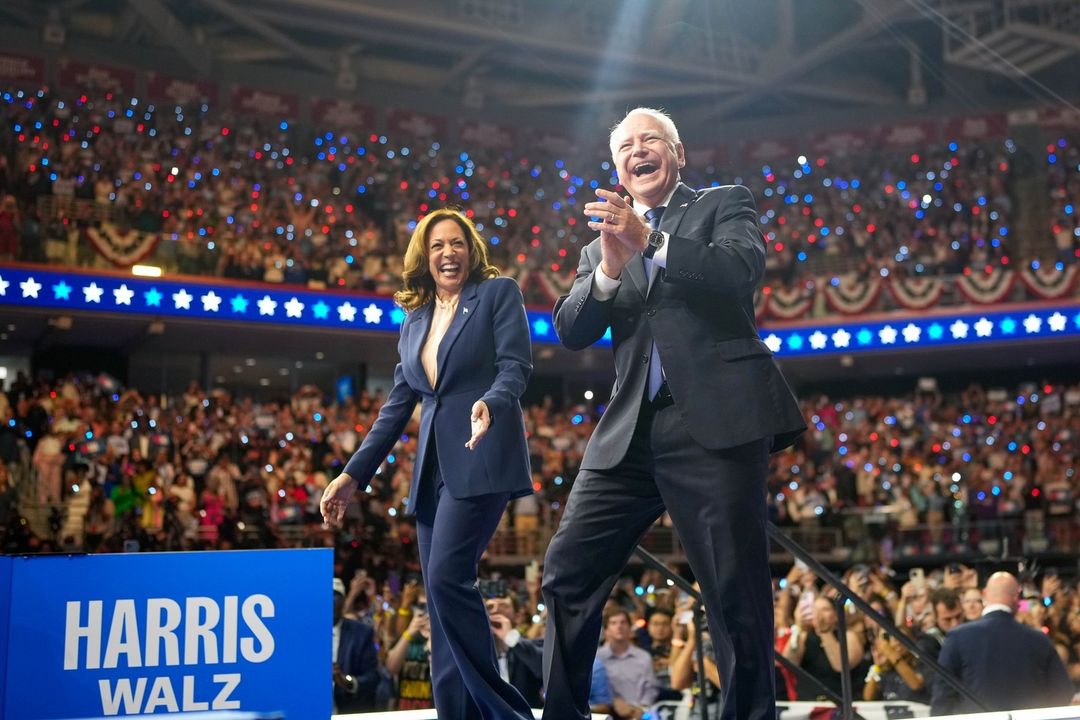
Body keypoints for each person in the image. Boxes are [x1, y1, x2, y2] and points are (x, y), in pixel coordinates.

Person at [541, 107, 805, 720]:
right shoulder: (600, 243)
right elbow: (572, 328)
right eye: (626, 145)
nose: (639, 150)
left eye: (650, 140)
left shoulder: (722, 204)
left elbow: (741, 271)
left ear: (678, 154)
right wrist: (608, 266)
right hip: (628, 434)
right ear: (616, 166)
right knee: (566, 570)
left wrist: (649, 241)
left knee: (734, 592)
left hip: (713, 426)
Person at [321, 207, 535, 720]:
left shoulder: (498, 294)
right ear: (425, 255)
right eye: (437, 245)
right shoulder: (414, 321)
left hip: (481, 455)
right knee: (439, 606)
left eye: (456, 243)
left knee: (445, 579)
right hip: (432, 474)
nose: (448, 253)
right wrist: (352, 475)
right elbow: (397, 407)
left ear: (471, 250)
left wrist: (493, 403)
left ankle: (508, 715)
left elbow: (516, 367)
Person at [931, 571, 1073, 715]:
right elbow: (1063, 693)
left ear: (985, 594)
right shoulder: (1039, 639)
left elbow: (942, 697)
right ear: (1016, 597)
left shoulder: (957, 636)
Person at [332, 578, 379, 713]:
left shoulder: (361, 633)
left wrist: (346, 681)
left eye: (337, 596)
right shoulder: (306, 633)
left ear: (344, 601)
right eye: (328, 596)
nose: (332, 601)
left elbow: (373, 677)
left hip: (348, 709)